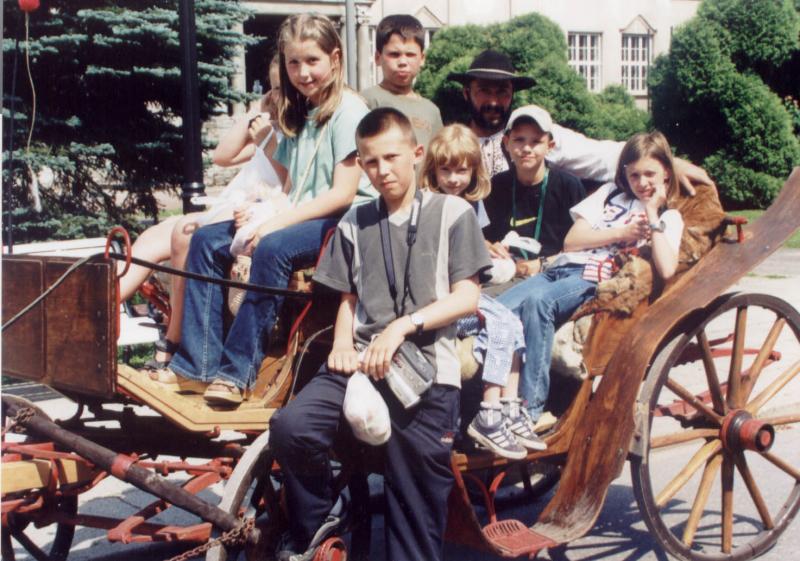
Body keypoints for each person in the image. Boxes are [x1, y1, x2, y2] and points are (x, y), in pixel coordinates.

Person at [269, 108, 490, 561]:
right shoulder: (355, 221)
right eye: (370, 162)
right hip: (362, 364)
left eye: (391, 157)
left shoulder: (453, 212)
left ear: (417, 153)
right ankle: (321, 525)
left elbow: (468, 297)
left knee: (411, 510)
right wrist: (342, 344)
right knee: (290, 427)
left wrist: (403, 326)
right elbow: (348, 298)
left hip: (427, 370)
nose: (382, 170)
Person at [158, 13, 376, 405]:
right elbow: (287, 178)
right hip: (301, 213)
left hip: (342, 221)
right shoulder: (303, 109)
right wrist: (258, 209)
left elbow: (342, 193)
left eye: (312, 61)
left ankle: (236, 373)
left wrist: (274, 223)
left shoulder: (349, 111)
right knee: (206, 240)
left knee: (274, 248)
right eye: (294, 63)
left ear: (335, 58)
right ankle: (197, 367)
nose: (303, 72)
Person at [497, 131, 684, 422]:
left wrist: (651, 213)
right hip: (561, 267)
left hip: (591, 276)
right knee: (493, 309)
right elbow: (572, 241)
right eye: (634, 175)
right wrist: (621, 232)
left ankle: (530, 410)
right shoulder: (610, 194)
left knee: (537, 302)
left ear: (666, 175)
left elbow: (667, 268)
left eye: (650, 174)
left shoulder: (668, 217)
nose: (642, 183)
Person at [121, 57, 283, 371]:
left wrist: (267, 139)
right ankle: (90, 314)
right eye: (274, 89)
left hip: (257, 209)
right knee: (150, 238)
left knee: (183, 232)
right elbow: (222, 156)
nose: (278, 96)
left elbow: (287, 180)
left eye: (282, 89)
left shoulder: (290, 133)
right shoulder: (269, 126)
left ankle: (174, 340)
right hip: (234, 203)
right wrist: (254, 111)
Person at [421, 123, 544, 458]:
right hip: (442, 301)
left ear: (473, 172)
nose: (453, 179)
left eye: (462, 171)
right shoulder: (432, 205)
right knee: (500, 324)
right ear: (433, 171)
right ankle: (488, 414)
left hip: (465, 292)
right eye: (445, 171)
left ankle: (509, 406)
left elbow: (475, 242)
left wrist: (489, 249)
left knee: (512, 322)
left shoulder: (470, 205)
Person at [448, 49, 714, 191]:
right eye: (484, 90)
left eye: (502, 92)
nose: (494, 101)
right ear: (466, 92)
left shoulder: (536, 135)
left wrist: (667, 162)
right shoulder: (453, 142)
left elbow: (601, 156)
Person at [483, 105, 586, 277]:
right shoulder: (497, 185)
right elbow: (482, 237)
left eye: (536, 141)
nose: (526, 148)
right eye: (519, 140)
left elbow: (583, 247)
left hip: (554, 274)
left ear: (550, 146)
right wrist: (490, 247)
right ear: (506, 143)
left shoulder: (569, 186)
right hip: (506, 272)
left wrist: (542, 264)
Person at [360, 14, 443, 150]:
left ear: (422, 59)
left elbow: (438, 157)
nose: (403, 62)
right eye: (394, 54)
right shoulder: (366, 101)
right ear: (378, 58)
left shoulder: (431, 111)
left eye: (410, 54)